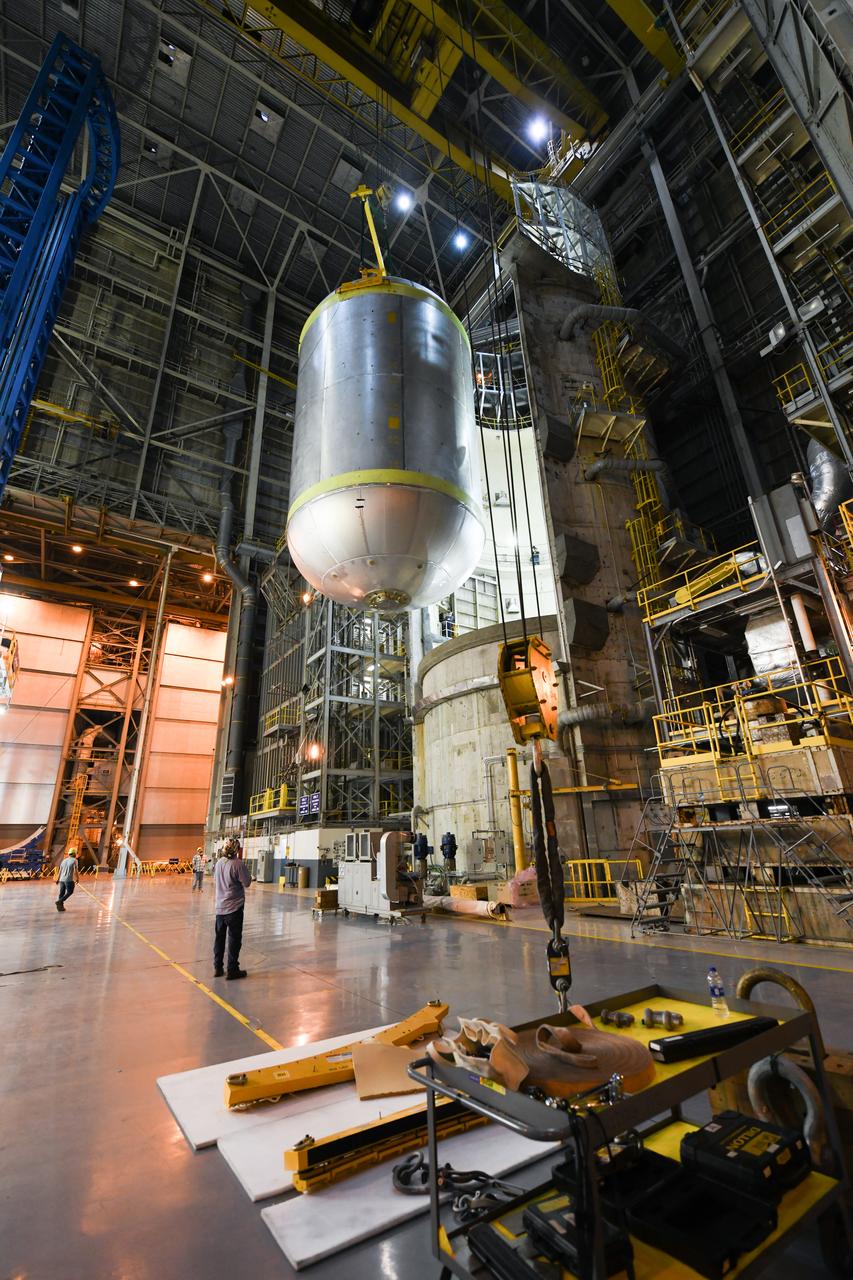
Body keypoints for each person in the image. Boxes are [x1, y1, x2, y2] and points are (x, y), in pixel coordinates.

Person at [213, 838, 251, 979]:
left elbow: (216, 881)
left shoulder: (218, 864)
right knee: (234, 939)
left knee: (219, 938)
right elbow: (246, 883)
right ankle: (232, 969)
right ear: (237, 850)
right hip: (234, 909)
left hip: (219, 908)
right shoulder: (238, 864)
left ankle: (217, 967)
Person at [55, 846, 80, 912]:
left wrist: (57, 879)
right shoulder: (75, 860)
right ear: (75, 854)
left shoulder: (64, 860)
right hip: (69, 880)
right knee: (70, 892)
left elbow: (60, 870)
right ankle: (59, 901)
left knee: (61, 893)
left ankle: (60, 907)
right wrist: (77, 878)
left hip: (61, 879)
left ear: (69, 854)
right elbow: (75, 871)